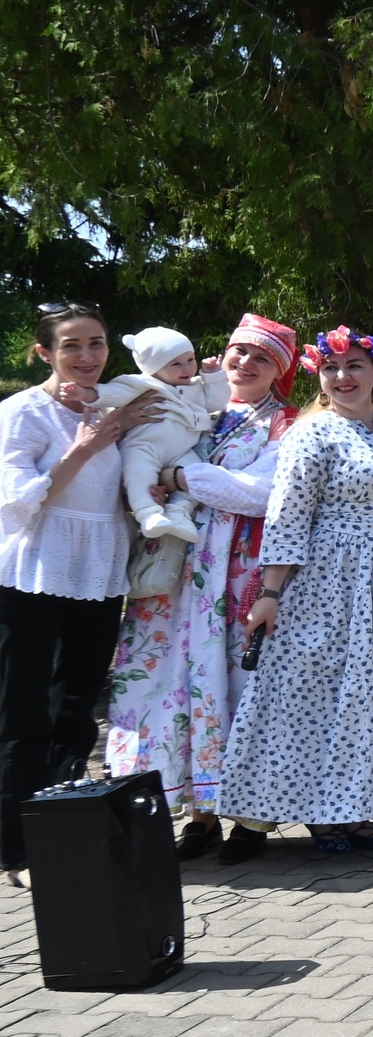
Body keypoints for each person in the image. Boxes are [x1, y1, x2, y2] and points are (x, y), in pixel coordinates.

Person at [221, 326, 373, 851]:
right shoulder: (312, 432)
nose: (342, 378)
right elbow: (288, 516)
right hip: (330, 581)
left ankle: (356, 810)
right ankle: (318, 814)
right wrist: (271, 592)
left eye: (354, 368)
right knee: (320, 697)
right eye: (331, 369)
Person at [105, 314, 293, 861]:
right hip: (175, 569)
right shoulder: (196, 405)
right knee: (168, 684)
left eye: (261, 358)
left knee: (237, 680)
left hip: (236, 572)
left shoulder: (286, 424)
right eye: (238, 352)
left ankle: (252, 820)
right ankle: (199, 814)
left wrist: (181, 479)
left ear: (279, 370)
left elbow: (260, 494)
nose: (245, 364)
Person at [0, 303, 162, 885]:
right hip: (32, 573)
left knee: (76, 708)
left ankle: (63, 830)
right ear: (45, 352)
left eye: (96, 344)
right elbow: (19, 501)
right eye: (71, 346)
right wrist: (85, 447)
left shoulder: (113, 406)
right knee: (25, 713)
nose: (87, 357)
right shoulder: (22, 412)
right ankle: (18, 850)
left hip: (98, 571)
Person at [94, 327, 226, 544]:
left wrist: (213, 376)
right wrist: (87, 394)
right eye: (176, 363)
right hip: (144, 446)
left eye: (190, 359)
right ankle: (148, 513)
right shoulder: (141, 384)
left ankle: (179, 511)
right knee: (138, 472)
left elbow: (217, 402)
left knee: (198, 475)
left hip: (182, 451)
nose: (186, 368)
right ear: (153, 367)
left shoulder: (195, 387)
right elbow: (112, 394)